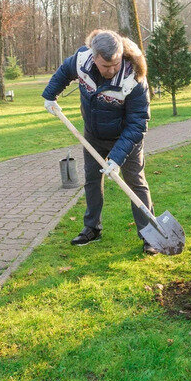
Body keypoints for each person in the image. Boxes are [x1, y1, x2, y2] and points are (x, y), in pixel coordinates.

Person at [42, 30, 158, 254]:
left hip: (126, 138)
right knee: (92, 180)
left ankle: (150, 234)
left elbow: (138, 123)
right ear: (94, 57)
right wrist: (50, 95)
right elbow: (64, 71)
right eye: (106, 66)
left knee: (136, 183)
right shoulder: (81, 60)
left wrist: (116, 157)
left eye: (115, 64)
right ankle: (92, 228)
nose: (111, 69)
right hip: (93, 136)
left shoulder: (133, 77)